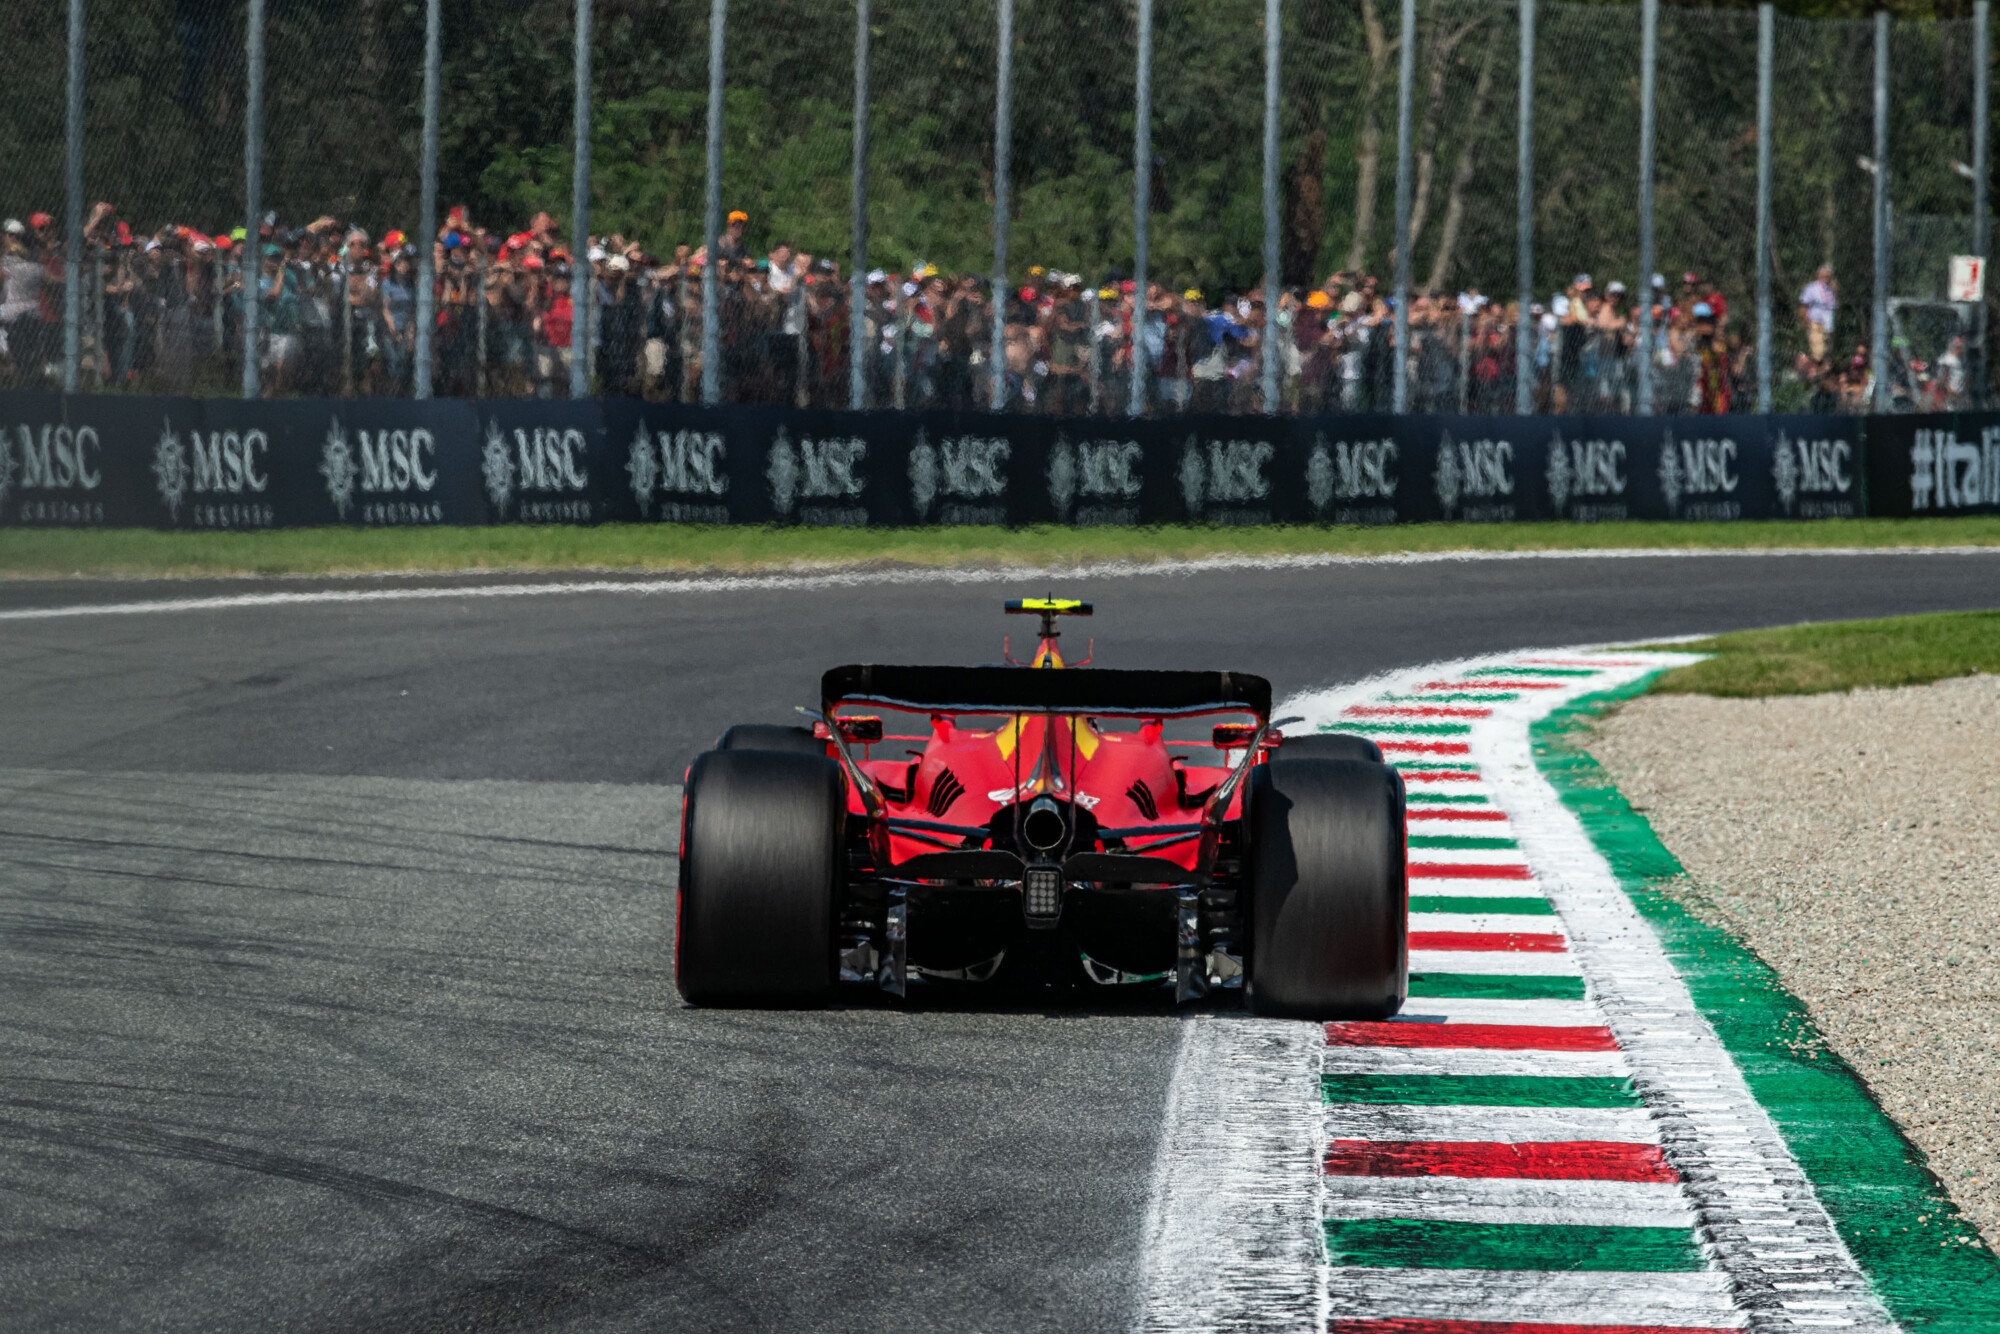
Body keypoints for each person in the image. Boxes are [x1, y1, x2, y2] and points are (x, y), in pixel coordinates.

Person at [1798, 265, 1836, 362]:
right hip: (1815, 322)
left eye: (1829, 277)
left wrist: (1835, 291)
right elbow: (1803, 305)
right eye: (1826, 276)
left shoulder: (1830, 290)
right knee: (1818, 352)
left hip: (1828, 324)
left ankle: (1819, 367)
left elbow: (1834, 306)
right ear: (1819, 276)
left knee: (1827, 351)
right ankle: (1812, 365)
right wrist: (1806, 320)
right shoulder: (1811, 288)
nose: (1828, 279)